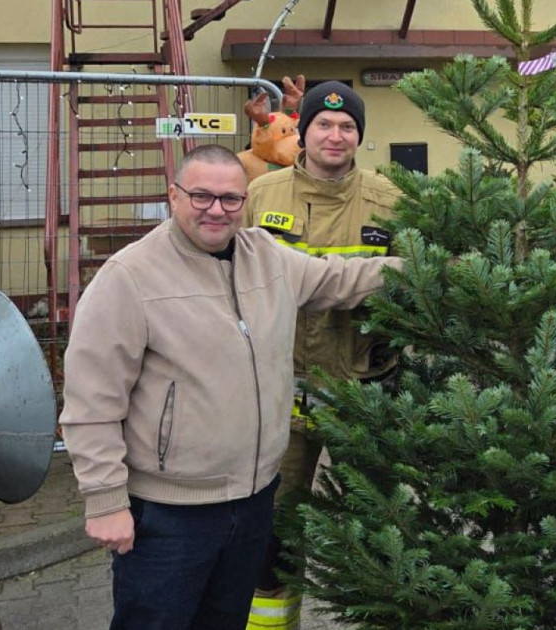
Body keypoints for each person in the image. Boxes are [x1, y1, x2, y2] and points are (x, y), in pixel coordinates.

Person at [59, 144, 400, 630]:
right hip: (171, 514)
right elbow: (91, 403)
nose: (216, 209)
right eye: (201, 196)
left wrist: (432, 271)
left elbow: (342, 278)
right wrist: (105, 501)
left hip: (255, 499)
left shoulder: (268, 257)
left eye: (230, 199)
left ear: (245, 201)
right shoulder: (129, 277)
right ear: (173, 197)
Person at [240, 80, 401, 630]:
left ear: (360, 136)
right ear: (302, 131)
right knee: (273, 529)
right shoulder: (262, 193)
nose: (336, 135)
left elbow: (422, 291)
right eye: (324, 124)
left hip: (362, 388)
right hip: (280, 391)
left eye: (348, 126)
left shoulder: (390, 200)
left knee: (375, 525)